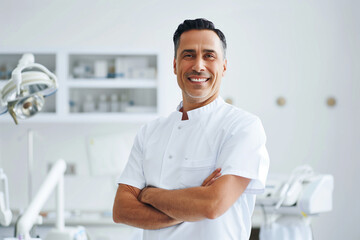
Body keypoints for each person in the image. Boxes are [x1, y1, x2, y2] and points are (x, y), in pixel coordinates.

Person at [113, 18, 270, 240]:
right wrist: (188, 208)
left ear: (223, 66)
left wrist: (148, 194)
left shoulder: (243, 127)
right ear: (175, 64)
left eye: (209, 55)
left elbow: (212, 205)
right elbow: (121, 210)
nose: (198, 66)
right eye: (188, 55)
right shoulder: (150, 132)